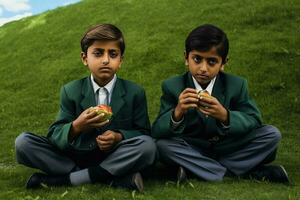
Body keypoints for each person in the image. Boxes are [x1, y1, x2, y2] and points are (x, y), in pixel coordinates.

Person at [15, 24, 156, 192]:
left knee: (147, 146)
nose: (105, 60)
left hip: (115, 155)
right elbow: (55, 135)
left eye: (113, 54)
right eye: (98, 53)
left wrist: (118, 136)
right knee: (23, 143)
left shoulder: (135, 92)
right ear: (84, 58)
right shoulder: (70, 91)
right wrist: (76, 126)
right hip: (75, 156)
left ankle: (64, 180)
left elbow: (144, 132)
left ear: (120, 61)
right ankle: (110, 179)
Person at [151, 24, 289, 184]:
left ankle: (201, 171)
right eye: (197, 59)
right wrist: (177, 112)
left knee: (272, 134)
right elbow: (157, 131)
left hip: (230, 147)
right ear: (186, 58)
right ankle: (241, 172)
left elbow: (254, 120)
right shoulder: (172, 86)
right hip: (192, 148)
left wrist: (225, 116)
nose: (203, 68)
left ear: (223, 63)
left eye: (212, 62)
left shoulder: (237, 85)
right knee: (162, 145)